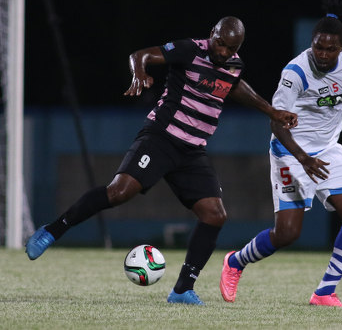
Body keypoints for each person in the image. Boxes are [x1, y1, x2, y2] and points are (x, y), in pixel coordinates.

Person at [25, 16, 298, 306]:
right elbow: (140, 55)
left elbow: (235, 86)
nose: (223, 51)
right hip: (162, 138)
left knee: (214, 215)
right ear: (212, 35)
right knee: (118, 192)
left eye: (231, 48)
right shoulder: (190, 49)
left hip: (192, 151)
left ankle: (182, 290)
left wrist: (271, 111)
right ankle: (51, 231)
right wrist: (138, 72)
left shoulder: (233, 64)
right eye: (220, 43)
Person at [220, 0, 342, 307]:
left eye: (330, 49)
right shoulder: (295, 72)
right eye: (318, 48)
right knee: (287, 233)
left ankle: (324, 292)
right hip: (291, 152)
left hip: (328, 149)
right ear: (311, 43)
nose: (324, 55)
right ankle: (235, 262)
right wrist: (303, 159)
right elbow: (278, 125)